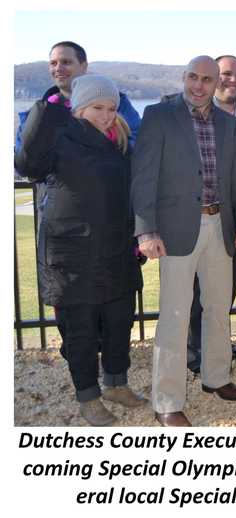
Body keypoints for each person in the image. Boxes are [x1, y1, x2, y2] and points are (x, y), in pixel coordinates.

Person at [131, 56, 236, 427]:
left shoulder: (225, 122)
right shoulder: (159, 115)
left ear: (216, 82)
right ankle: (166, 401)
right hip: (175, 232)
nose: (198, 85)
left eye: (206, 79)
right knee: (174, 315)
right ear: (184, 77)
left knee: (218, 308)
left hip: (220, 226)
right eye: (193, 77)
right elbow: (143, 178)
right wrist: (146, 230)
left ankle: (216, 377)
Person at [15, 74, 144, 426]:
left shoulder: (121, 140)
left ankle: (116, 383)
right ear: (80, 107)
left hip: (117, 248)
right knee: (81, 330)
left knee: (120, 323)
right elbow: (26, 164)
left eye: (111, 108)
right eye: (97, 108)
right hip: (73, 253)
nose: (105, 115)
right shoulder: (58, 136)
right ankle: (88, 396)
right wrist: (44, 111)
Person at [186, 54, 236, 373]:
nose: (233, 81)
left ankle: (215, 344)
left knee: (224, 288)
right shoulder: (187, 112)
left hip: (234, 220)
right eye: (227, 74)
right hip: (191, 217)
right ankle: (193, 350)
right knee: (192, 290)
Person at [16, 41, 141, 153]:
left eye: (66, 62)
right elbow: (23, 161)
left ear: (83, 66)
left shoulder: (118, 104)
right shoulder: (39, 113)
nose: (58, 68)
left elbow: (139, 143)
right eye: (53, 63)